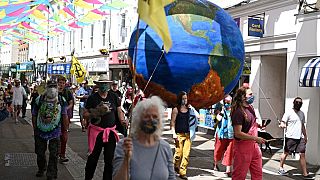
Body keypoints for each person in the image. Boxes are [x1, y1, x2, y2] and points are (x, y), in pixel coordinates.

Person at [113, 96, 176, 180]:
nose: (151, 119)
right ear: (138, 119)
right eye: (146, 116)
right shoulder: (125, 145)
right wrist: (126, 159)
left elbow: (171, 178)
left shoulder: (165, 147)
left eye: (154, 116)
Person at [83, 74, 126, 180]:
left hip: (110, 132)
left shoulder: (114, 96)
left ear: (109, 85)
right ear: (98, 85)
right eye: (102, 84)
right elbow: (85, 114)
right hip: (96, 132)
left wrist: (122, 120)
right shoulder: (92, 98)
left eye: (106, 84)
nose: (104, 86)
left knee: (109, 160)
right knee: (92, 159)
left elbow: (119, 110)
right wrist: (96, 112)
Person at [32, 80, 68, 180]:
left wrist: (65, 129)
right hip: (40, 131)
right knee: (40, 152)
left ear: (57, 88)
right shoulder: (39, 99)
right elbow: (34, 114)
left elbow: (64, 115)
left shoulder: (61, 100)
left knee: (54, 154)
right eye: (50, 86)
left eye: (54, 86)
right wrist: (35, 128)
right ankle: (41, 168)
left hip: (55, 132)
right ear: (46, 88)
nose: (52, 88)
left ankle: (51, 173)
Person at [231, 86, 266, 180]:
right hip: (242, 148)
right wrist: (255, 138)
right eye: (250, 94)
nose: (252, 96)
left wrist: (259, 126)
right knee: (239, 175)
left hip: (254, 146)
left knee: (258, 174)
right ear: (243, 97)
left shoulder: (250, 108)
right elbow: (237, 133)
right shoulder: (238, 112)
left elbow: (251, 123)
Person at [278, 97, 310, 178]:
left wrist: (305, 136)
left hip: (300, 137)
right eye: (297, 102)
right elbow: (283, 122)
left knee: (302, 154)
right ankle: (281, 167)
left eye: (300, 103)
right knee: (286, 153)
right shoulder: (288, 112)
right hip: (290, 137)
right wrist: (282, 125)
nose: (298, 104)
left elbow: (302, 126)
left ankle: (305, 173)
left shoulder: (302, 113)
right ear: (294, 103)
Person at [171, 91, 199, 179]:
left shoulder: (189, 109)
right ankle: (174, 165)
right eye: (183, 98)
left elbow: (198, 116)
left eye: (186, 98)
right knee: (178, 154)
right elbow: (172, 122)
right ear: (180, 99)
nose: (185, 100)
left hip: (188, 134)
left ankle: (182, 172)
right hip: (179, 134)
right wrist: (173, 134)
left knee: (186, 154)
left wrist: (193, 108)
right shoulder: (176, 109)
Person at [213, 95, 234, 176]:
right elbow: (217, 119)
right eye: (226, 102)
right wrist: (222, 111)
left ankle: (228, 170)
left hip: (231, 134)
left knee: (229, 152)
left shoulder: (234, 108)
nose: (227, 103)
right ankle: (215, 163)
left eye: (229, 102)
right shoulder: (219, 106)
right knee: (218, 151)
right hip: (221, 133)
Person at [57, 76, 74, 163]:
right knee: (56, 136)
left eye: (63, 83)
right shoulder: (54, 92)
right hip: (55, 116)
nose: (61, 85)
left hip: (65, 116)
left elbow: (71, 103)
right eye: (60, 83)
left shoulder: (68, 92)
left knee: (64, 135)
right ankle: (57, 152)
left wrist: (65, 109)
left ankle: (62, 154)